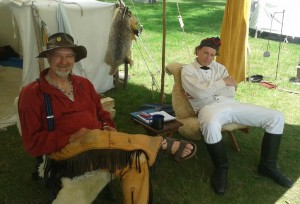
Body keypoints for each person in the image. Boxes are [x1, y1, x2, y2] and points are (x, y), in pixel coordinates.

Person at [18, 32, 197, 203]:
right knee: (91, 135)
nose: (64, 62)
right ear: (48, 58)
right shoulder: (32, 94)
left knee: (138, 159)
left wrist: (107, 127)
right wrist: (71, 137)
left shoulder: (84, 84)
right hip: (64, 155)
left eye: (69, 56)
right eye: (58, 55)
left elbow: (102, 114)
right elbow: (33, 143)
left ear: (75, 59)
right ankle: (160, 144)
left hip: (101, 146)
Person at [181, 37, 293, 195]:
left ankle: (268, 166)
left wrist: (206, 89)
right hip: (208, 108)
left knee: (276, 117)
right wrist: (221, 83)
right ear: (198, 50)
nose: (209, 57)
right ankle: (221, 168)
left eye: (212, 55)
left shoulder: (220, 67)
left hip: (231, 103)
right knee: (211, 125)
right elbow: (199, 93)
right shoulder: (188, 70)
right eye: (205, 53)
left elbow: (231, 90)